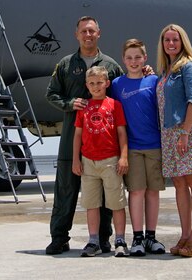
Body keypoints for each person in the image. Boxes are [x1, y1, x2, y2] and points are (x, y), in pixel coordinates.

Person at [44, 16, 123, 255]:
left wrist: (146, 71)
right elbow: (51, 94)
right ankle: (59, 237)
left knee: (105, 192)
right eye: (83, 32)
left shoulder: (110, 65)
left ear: (99, 33)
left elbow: (122, 90)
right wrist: (70, 103)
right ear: (76, 34)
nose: (88, 35)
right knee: (65, 189)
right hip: (73, 136)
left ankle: (103, 238)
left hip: (104, 141)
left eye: (92, 31)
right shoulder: (66, 64)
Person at [109, 39, 166, 256]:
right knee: (136, 191)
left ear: (145, 58)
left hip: (154, 146)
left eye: (138, 57)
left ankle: (152, 237)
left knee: (152, 192)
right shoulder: (117, 85)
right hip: (131, 148)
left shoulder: (154, 80)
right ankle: (138, 238)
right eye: (129, 57)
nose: (133, 61)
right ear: (123, 59)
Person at [156, 24, 192, 258]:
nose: (171, 44)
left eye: (175, 40)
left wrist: (185, 132)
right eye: (167, 40)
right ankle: (185, 234)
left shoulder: (189, 66)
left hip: (187, 130)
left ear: (182, 41)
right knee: (179, 183)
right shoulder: (165, 71)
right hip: (168, 132)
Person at [73, 66, 130, 257]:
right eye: (92, 83)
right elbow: (78, 135)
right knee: (91, 204)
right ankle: (93, 241)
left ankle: (120, 240)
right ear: (86, 85)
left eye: (99, 83)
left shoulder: (115, 105)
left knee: (116, 203)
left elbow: (122, 133)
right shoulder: (84, 107)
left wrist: (123, 157)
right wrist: (76, 160)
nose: (96, 86)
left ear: (107, 83)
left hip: (110, 160)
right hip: (88, 161)